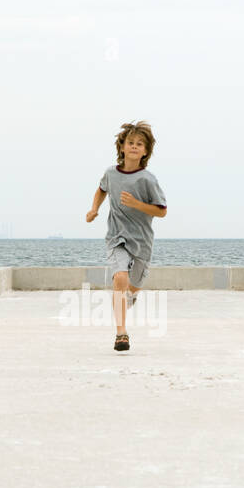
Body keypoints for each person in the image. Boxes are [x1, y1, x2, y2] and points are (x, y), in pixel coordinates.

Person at [85, 121, 167, 351]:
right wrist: (94, 209)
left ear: (145, 151)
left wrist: (137, 204)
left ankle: (128, 298)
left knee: (133, 287)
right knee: (120, 278)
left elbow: (162, 211)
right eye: (130, 142)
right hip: (116, 236)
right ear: (122, 147)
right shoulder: (111, 173)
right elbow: (101, 189)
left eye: (139, 144)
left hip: (141, 241)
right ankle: (121, 333)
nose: (134, 146)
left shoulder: (148, 179)